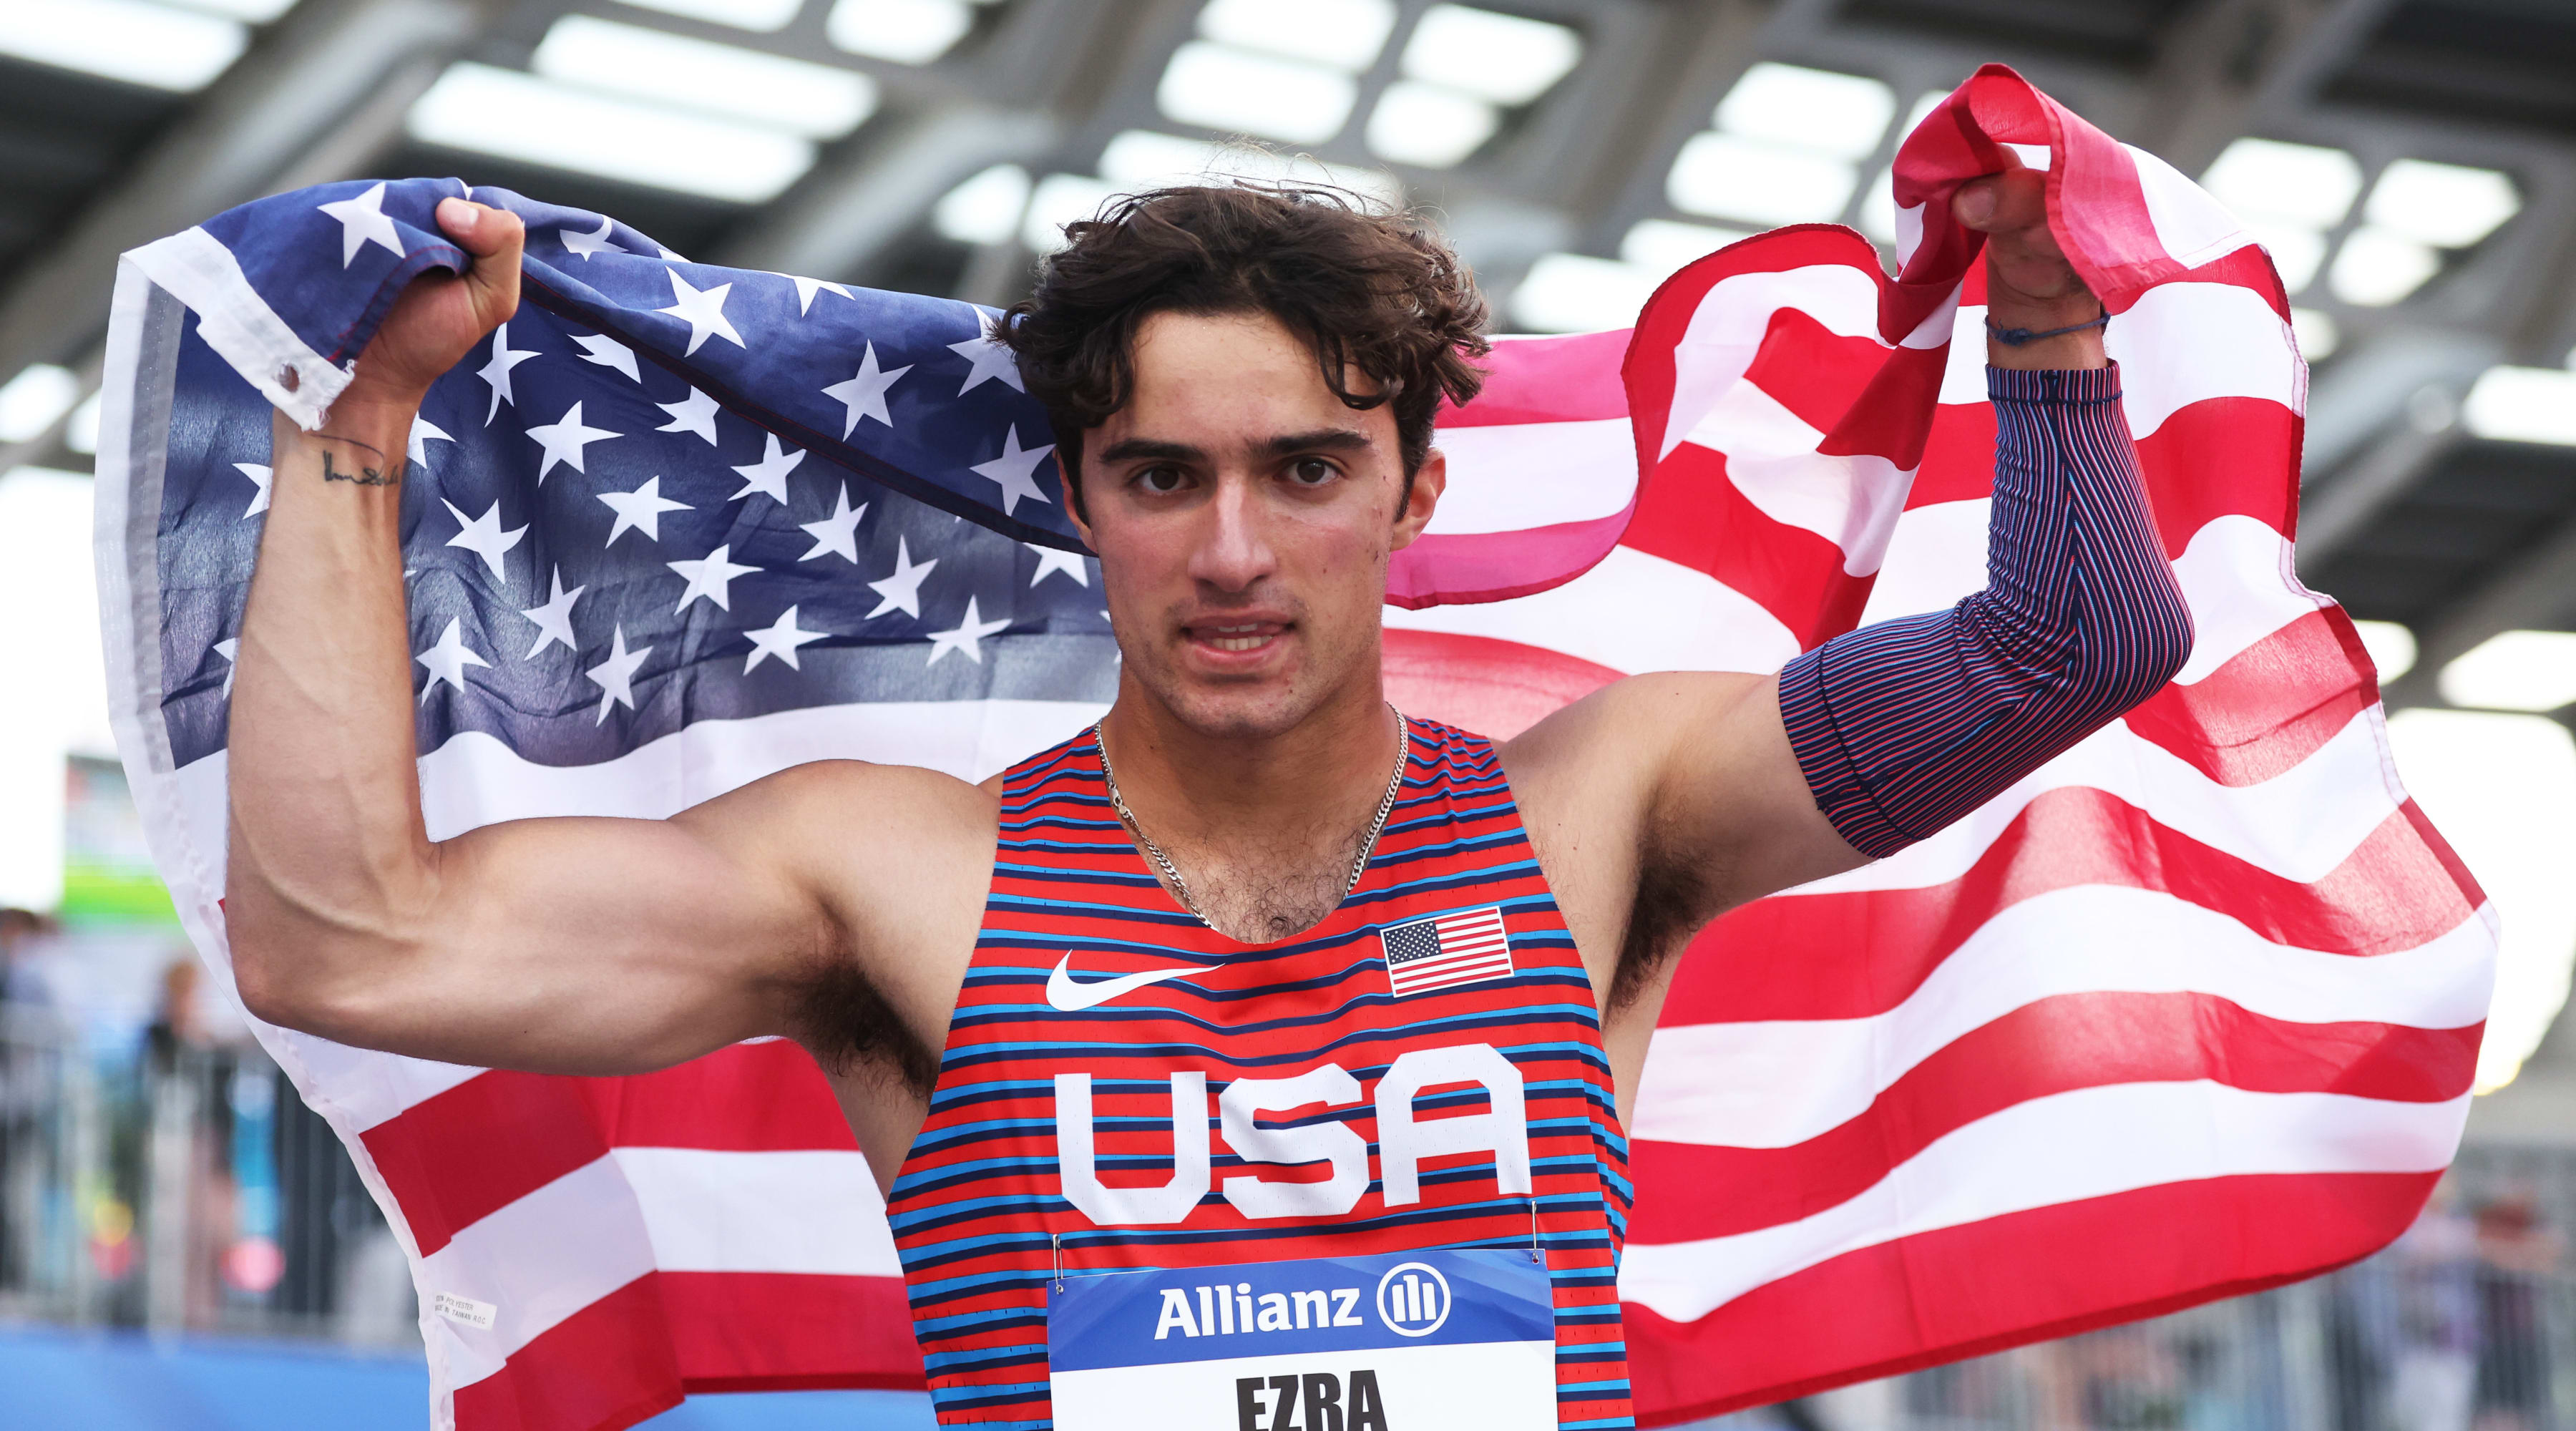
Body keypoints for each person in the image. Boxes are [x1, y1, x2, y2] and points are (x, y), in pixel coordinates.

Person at [222, 165, 2189, 1427]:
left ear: (1418, 494)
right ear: (1083, 505)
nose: (1234, 550)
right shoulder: (900, 878)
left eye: (1308, 472)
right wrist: (356, 428)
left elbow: (2072, 645)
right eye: (1163, 476)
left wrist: (2046, 324)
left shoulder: (1604, 810)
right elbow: (350, 946)